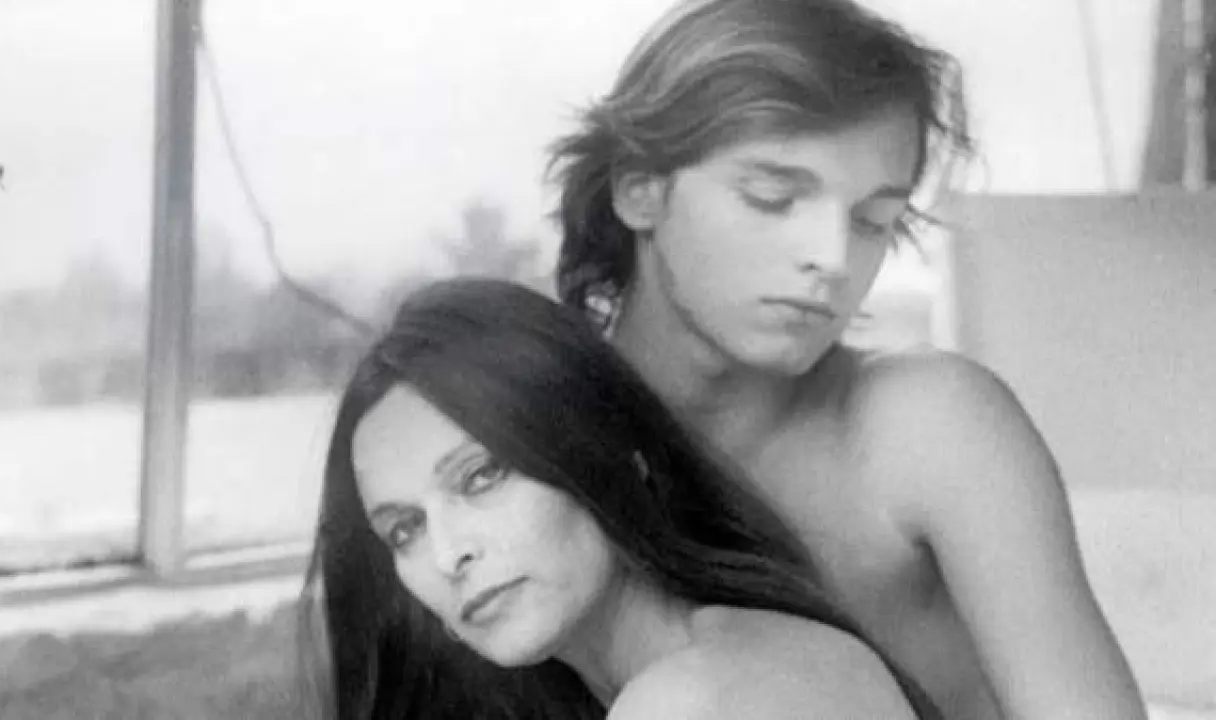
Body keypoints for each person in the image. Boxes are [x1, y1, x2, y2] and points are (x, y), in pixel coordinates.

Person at [548, 1, 1146, 718]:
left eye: (872, 221)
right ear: (638, 189)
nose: (832, 258)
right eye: (773, 198)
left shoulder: (924, 429)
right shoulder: (529, 450)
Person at [300, 278, 943, 719]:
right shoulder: (755, 646)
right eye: (404, 529)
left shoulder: (691, 699)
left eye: (481, 477)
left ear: (610, 450)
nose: (448, 555)